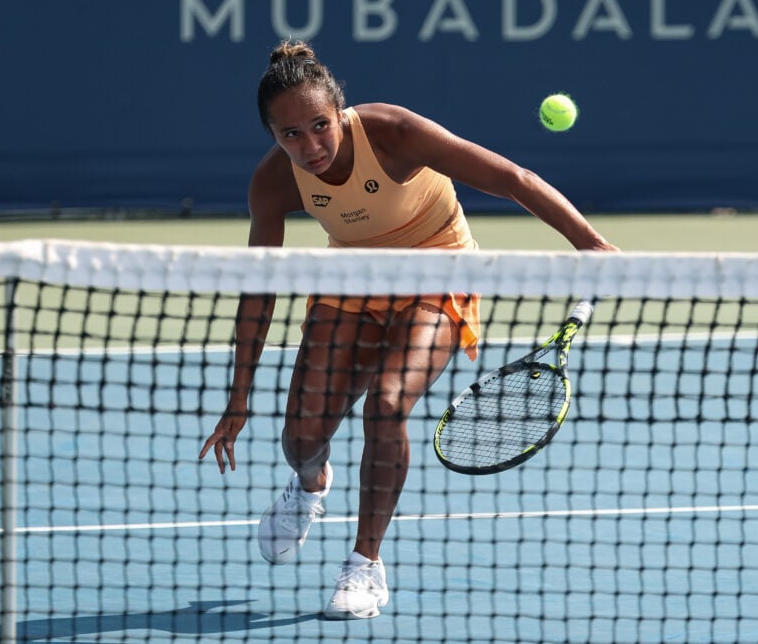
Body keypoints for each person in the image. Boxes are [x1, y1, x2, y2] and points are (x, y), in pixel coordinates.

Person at [198, 39, 618, 620]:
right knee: (299, 439)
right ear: (272, 135)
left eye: (320, 125)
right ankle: (311, 482)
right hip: (353, 280)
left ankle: (364, 563)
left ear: (339, 112)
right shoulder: (273, 183)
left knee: (388, 403)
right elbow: (259, 288)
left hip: (438, 271)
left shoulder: (393, 134)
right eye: (290, 134)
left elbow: (512, 179)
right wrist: (238, 397)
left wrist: (591, 245)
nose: (310, 145)